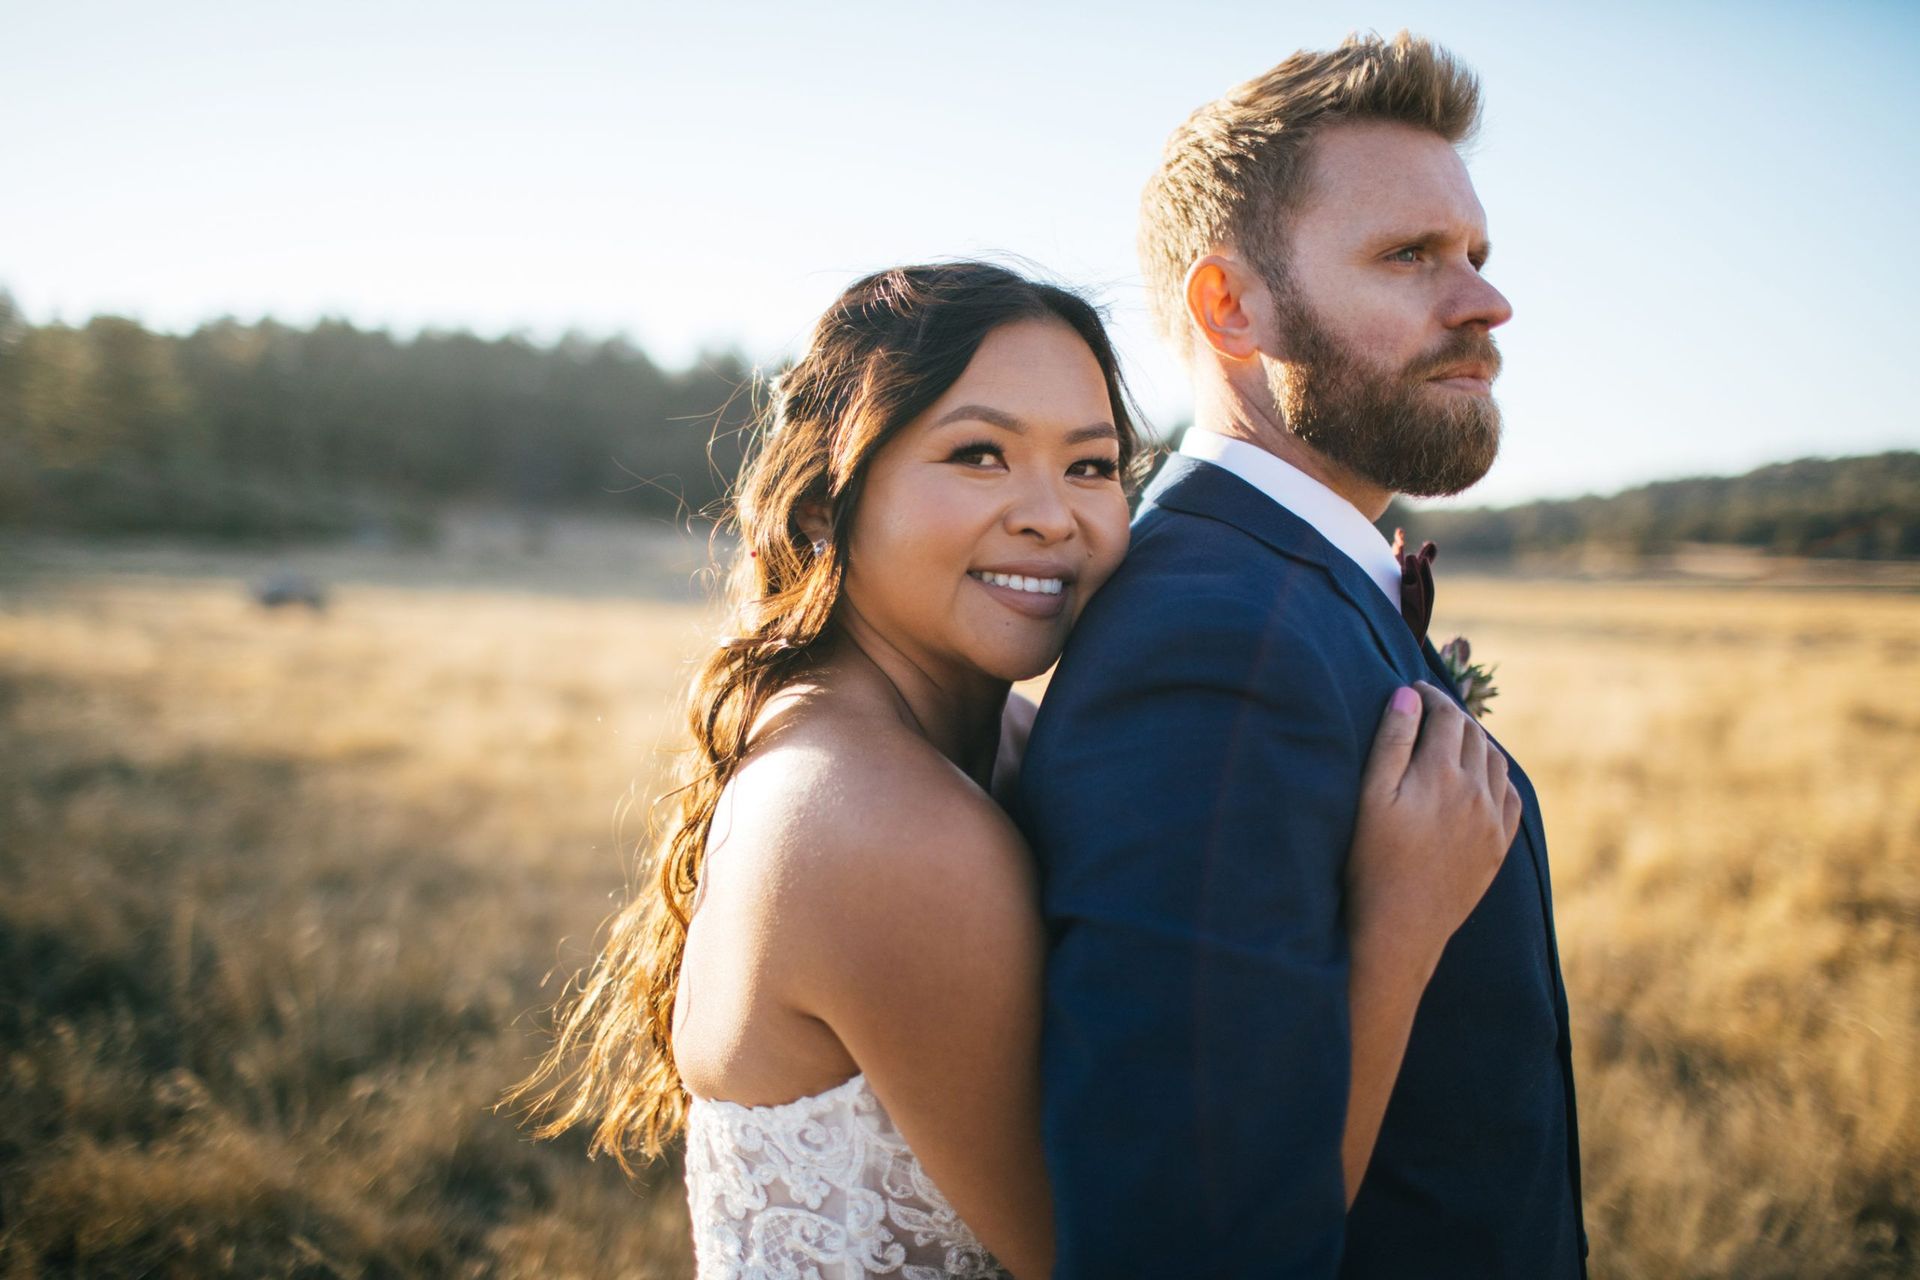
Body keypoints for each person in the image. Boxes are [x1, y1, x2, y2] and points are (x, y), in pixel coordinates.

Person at [508, 261, 1520, 1278]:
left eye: (1090, 466)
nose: (1052, 514)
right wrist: (1399, 930)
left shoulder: (993, 742)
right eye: (980, 453)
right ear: (824, 504)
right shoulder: (872, 826)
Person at [1018, 31, 1588, 1278]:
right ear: (1233, 307)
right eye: (1409, 256)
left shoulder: (1290, 586)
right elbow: (1189, 1242)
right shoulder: (1213, 647)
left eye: (1478, 255)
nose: (1486, 300)